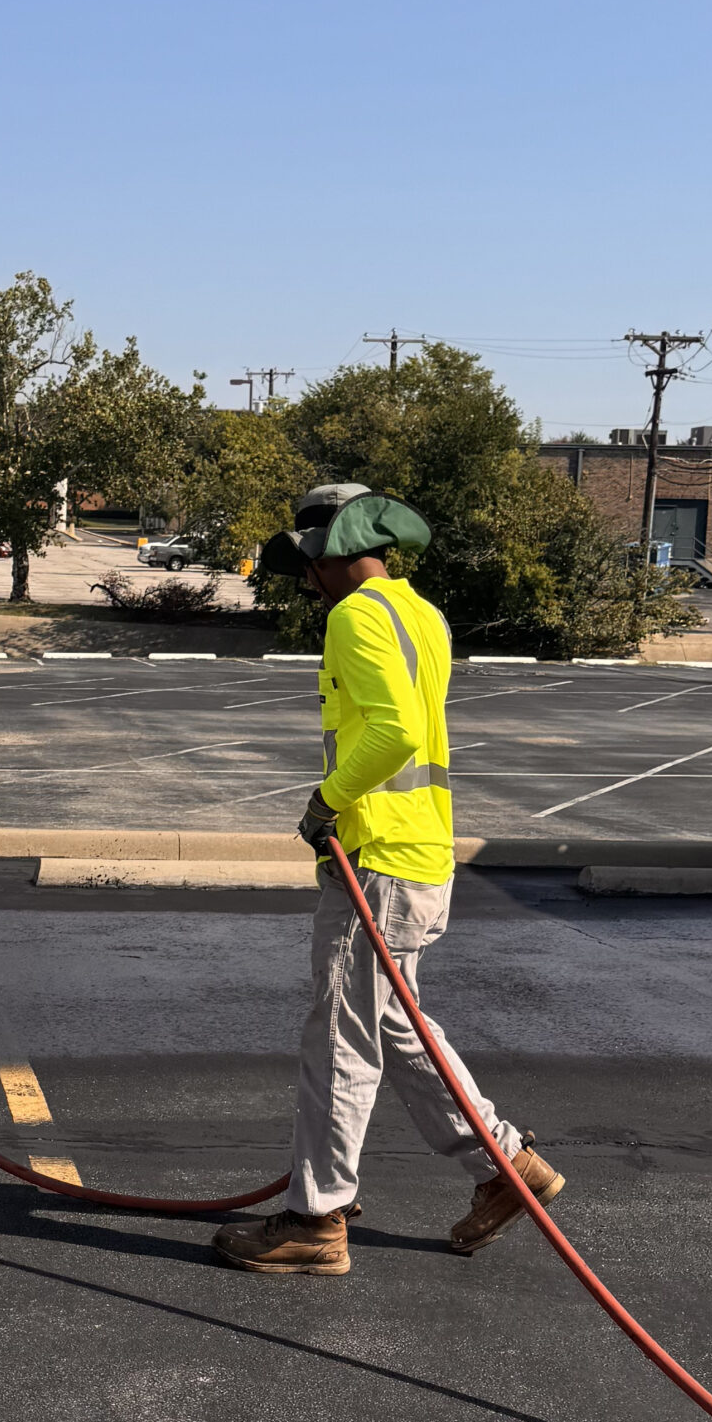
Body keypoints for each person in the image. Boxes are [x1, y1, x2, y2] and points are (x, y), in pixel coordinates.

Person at [212, 485, 562, 1276]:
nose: (304, 581)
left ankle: (315, 1219)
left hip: (372, 858)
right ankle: (508, 1169)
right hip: (418, 854)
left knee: (339, 1037)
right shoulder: (421, 613)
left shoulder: (353, 616)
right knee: (392, 1025)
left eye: (307, 564)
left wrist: (326, 801)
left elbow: (396, 732)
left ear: (337, 554)